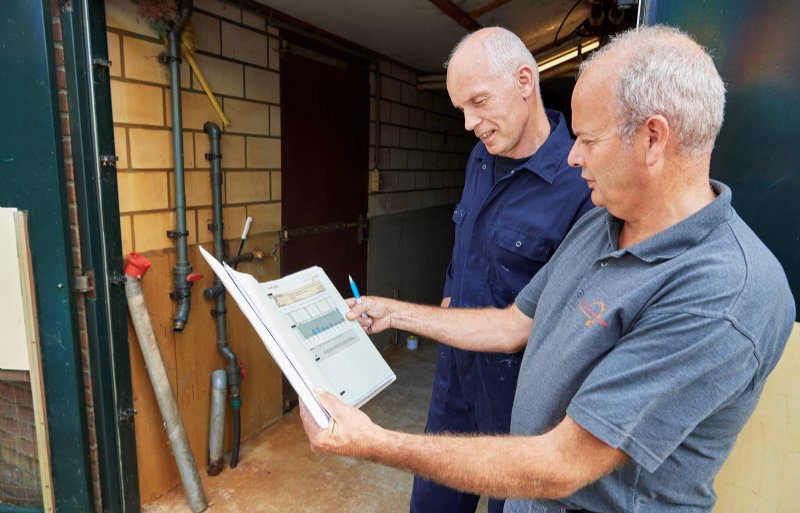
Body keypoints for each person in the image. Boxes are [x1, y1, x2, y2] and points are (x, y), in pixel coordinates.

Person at [300, 25, 796, 513]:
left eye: (587, 138)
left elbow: (563, 464)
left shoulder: (725, 292)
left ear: (652, 139)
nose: (574, 157)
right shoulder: (601, 225)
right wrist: (397, 313)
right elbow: (514, 323)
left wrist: (373, 442)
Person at [413, 27, 592, 513]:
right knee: (433, 500)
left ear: (524, 80)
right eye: (462, 110)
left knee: (509, 506)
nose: (470, 123)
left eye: (478, 101)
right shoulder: (481, 156)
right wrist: (451, 294)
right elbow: (466, 239)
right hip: (455, 373)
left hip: (520, 391)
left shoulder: (582, 186)